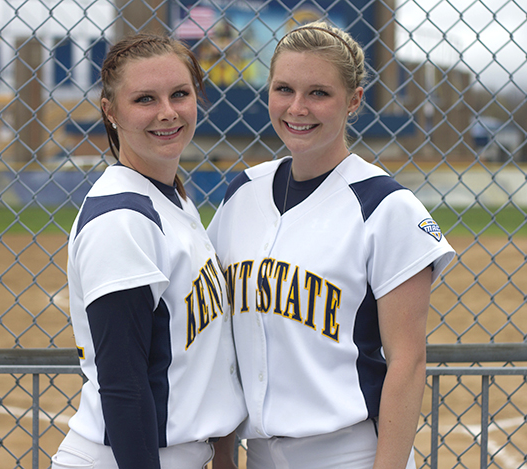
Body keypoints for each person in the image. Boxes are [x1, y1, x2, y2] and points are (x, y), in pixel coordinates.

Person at [207, 22, 456, 469]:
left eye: (319, 93)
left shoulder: (385, 206)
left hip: (351, 455)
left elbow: (407, 362)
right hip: (258, 455)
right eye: (284, 88)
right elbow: (220, 342)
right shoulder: (241, 193)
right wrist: (223, 455)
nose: (297, 107)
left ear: (354, 100)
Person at [52, 34, 246, 469]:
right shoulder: (122, 219)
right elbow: (125, 385)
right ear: (110, 111)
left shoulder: (169, 199)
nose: (167, 112)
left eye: (180, 94)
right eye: (144, 99)